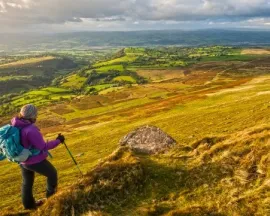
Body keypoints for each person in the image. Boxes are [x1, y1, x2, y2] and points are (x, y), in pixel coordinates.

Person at [11, 104, 65, 209]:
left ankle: (29, 206)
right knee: (52, 174)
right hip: (34, 160)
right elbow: (43, 146)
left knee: (27, 183)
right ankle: (51, 199)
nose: (36, 117)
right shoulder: (30, 129)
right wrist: (58, 140)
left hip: (22, 160)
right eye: (35, 115)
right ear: (32, 116)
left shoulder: (16, 124)